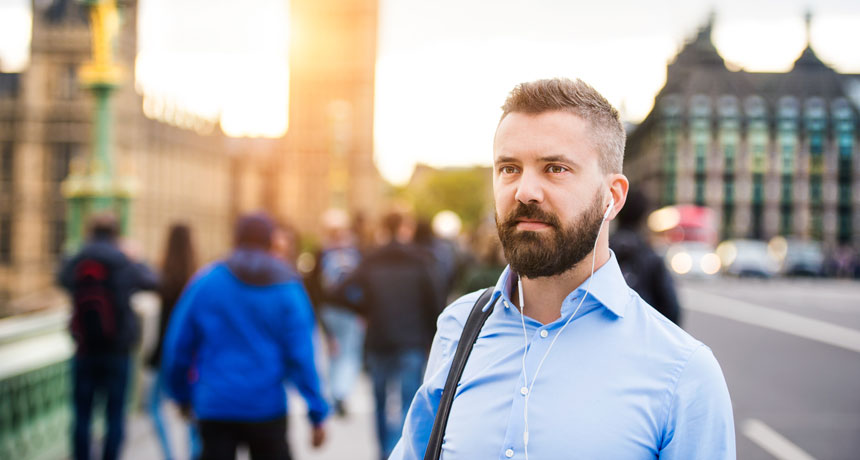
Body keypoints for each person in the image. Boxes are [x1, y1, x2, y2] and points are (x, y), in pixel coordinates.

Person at [390, 78, 735, 459]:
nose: (524, 191)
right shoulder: (458, 328)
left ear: (613, 197)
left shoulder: (683, 373)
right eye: (508, 168)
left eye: (554, 168)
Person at [162, 212, 328, 460]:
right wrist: (317, 412)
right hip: (266, 406)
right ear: (271, 241)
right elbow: (302, 354)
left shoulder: (208, 281)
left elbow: (178, 344)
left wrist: (182, 395)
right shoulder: (287, 286)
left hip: (214, 405)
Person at [336, 211, 443, 460]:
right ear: (406, 228)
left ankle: (384, 451)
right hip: (411, 340)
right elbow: (435, 301)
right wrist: (431, 336)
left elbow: (340, 292)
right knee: (409, 403)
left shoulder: (371, 259)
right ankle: (401, 451)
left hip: (379, 339)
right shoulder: (420, 260)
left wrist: (364, 309)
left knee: (380, 402)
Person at [58, 213, 159, 460]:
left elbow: (61, 279)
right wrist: (137, 256)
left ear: (90, 231)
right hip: (117, 349)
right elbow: (153, 280)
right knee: (115, 413)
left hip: (85, 347)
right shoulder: (123, 260)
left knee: (82, 414)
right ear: (116, 233)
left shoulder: (79, 257)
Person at [146, 223, 200, 460]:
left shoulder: (162, 277)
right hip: (191, 354)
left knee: (154, 406)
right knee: (191, 409)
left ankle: (169, 455)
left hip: (164, 352)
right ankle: (193, 453)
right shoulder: (197, 279)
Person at [307, 209, 365, 417]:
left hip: (328, 309)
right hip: (351, 310)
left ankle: (334, 393)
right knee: (350, 352)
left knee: (334, 352)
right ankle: (342, 392)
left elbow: (312, 285)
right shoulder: (356, 251)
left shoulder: (321, 252)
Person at [610, 189, 682, 325]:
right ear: (644, 216)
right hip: (644, 331)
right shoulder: (650, 256)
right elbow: (671, 308)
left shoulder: (600, 252)